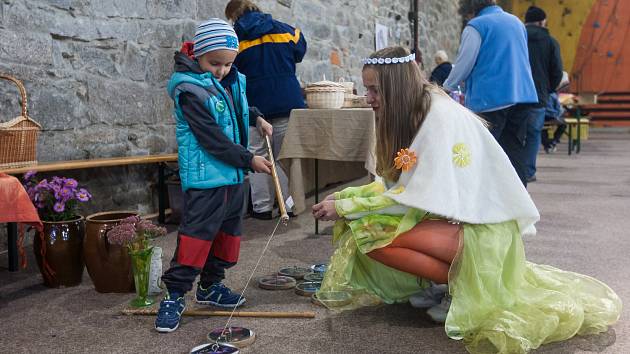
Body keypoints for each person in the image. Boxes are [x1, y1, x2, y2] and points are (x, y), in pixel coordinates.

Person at [313, 46, 621, 354]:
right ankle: (446, 284)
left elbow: (409, 200)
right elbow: (399, 185)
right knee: (371, 229)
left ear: (396, 86)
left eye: (374, 89)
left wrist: (344, 207)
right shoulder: (419, 111)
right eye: (366, 88)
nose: (368, 98)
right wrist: (347, 195)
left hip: (486, 234)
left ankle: (457, 288)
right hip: (460, 223)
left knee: (373, 234)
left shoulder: (438, 118)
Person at [155, 18, 274, 333]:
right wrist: (249, 159)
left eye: (228, 63)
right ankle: (175, 294)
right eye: (215, 63)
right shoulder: (189, 89)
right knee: (196, 236)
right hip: (206, 179)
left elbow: (240, 106)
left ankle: (210, 287)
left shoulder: (231, 77)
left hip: (233, 178)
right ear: (198, 56)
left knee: (227, 236)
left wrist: (258, 117)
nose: (221, 70)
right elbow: (211, 139)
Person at [225, 0, 307, 220]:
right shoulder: (286, 31)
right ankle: (289, 205)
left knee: (257, 156)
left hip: (253, 107)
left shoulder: (234, 39)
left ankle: (262, 208)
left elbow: (229, 71)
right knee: (285, 156)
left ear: (233, 17)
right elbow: (301, 49)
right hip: (287, 102)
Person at [444, 0, 539, 186]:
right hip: (522, 95)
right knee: (515, 152)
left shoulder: (477, 26)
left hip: (490, 99)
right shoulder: (516, 23)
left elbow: (465, 62)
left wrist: (446, 87)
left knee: (483, 153)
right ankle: (518, 203)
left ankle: (483, 203)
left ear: (470, 10)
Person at [523, 5, 563, 182]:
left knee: (513, 134)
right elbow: (557, 72)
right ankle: (529, 171)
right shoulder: (551, 41)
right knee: (533, 135)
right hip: (538, 96)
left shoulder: (518, 37)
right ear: (542, 21)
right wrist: (549, 89)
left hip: (516, 94)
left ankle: (512, 172)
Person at [542, 71, 570, 153]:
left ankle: (548, 144)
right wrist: (562, 111)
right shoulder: (554, 95)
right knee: (563, 125)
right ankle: (553, 141)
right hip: (552, 116)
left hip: (542, 116)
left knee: (541, 128)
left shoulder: (541, 92)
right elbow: (558, 109)